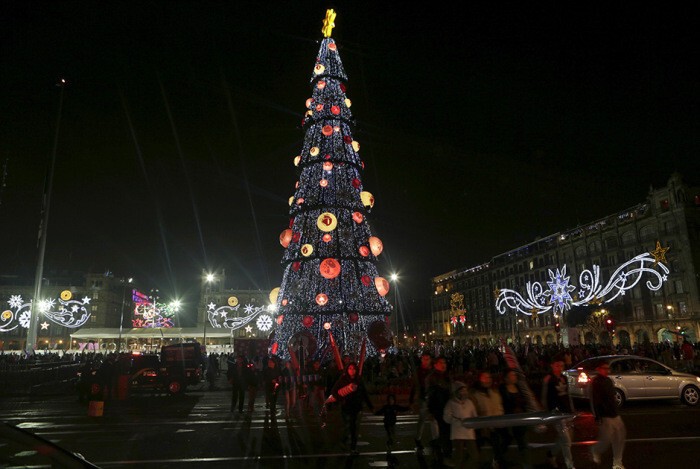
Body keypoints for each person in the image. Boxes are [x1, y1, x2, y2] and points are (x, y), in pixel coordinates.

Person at [330, 362, 374, 454]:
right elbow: (334, 392)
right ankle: (344, 441)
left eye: (353, 369)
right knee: (347, 426)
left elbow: (364, 393)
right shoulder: (343, 380)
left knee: (354, 428)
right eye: (350, 368)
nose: (352, 370)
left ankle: (353, 448)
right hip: (346, 407)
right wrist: (341, 399)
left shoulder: (359, 380)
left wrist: (370, 406)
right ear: (347, 370)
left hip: (357, 407)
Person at [590, 360, 626, 469]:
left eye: (608, 368)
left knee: (620, 437)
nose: (607, 371)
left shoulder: (608, 380)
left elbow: (612, 396)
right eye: (604, 368)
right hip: (605, 415)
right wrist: (597, 416)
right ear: (598, 369)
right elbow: (595, 401)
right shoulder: (596, 382)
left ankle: (617, 463)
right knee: (606, 439)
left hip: (614, 413)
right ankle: (595, 450)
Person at [541, 357, 575, 469]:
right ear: (552, 366)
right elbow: (544, 397)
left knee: (564, 438)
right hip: (556, 413)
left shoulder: (564, 377)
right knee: (566, 441)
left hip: (566, 411)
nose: (559, 368)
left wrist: (572, 409)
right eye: (557, 366)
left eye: (561, 366)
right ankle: (569, 465)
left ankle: (550, 455)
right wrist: (547, 412)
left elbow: (568, 395)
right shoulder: (548, 379)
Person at [470, 371, 505, 469]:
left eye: (489, 377)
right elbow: (474, 412)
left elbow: (499, 408)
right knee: (477, 447)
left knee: (498, 445)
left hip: (494, 426)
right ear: (479, 379)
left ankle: (496, 462)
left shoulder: (494, 392)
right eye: (484, 377)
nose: (487, 380)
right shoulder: (475, 394)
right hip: (482, 427)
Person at [499, 369, 532, 468]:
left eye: (514, 375)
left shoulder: (518, 387)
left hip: (520, 419)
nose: (514, 377)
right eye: (512, 375)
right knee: (506, 440)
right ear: (506, 378)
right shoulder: (502, 389)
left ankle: (526, 463)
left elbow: (524, 400)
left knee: (523, 441)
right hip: (508, 418)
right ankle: (498, 458)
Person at [444, 381, 479, 469]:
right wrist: (457, 421)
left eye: (465, 390)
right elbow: (446, 417)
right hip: (457, 433)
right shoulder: (451, 403)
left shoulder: (469, 402)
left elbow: (475, 415)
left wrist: (473, 423)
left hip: (469, 433)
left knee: (474, 456)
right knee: (458, 456)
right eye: (461, 391)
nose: (464, 393)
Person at [425, 356, 452, 466]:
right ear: (435, 364)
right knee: (444, 433)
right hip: (438, 409)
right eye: (441, 362)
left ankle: (438, 448)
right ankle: (445, 456)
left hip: (448, 408)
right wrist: (430, 411)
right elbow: (429, 396)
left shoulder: (447, 376)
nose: (443, 364)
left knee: (446, 433)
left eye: (445, 362)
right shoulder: (432, 378)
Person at [409, 350, 433, 452]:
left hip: (433, 396)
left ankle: (435, 438)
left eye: (427, 359)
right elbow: (415, 384)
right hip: (423, 397)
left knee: (434, 419)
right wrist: (412, 398)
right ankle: (418, 438)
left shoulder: (433, 370)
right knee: (422, 419)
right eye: (424, 359)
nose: (426, 361)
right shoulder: (419, 371)